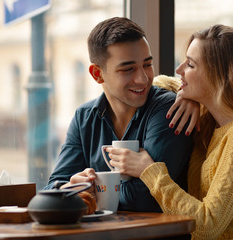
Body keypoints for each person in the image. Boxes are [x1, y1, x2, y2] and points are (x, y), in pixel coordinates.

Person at [106, 24, 233, 239]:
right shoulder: (209, 117)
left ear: (221, 76)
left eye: (191, 65)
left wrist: (148, 170)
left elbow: (207, 226)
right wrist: (186, 96)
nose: (179, 70)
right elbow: (159, 82)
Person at [44, 17, 196, 213]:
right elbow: (51, 189)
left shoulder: (169, 109)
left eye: (147, 65)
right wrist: (68, 187)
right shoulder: (84, 118)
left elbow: (147, 199)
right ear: (97, 74)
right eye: (128, 69)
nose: (142, 78)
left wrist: (87, 192)